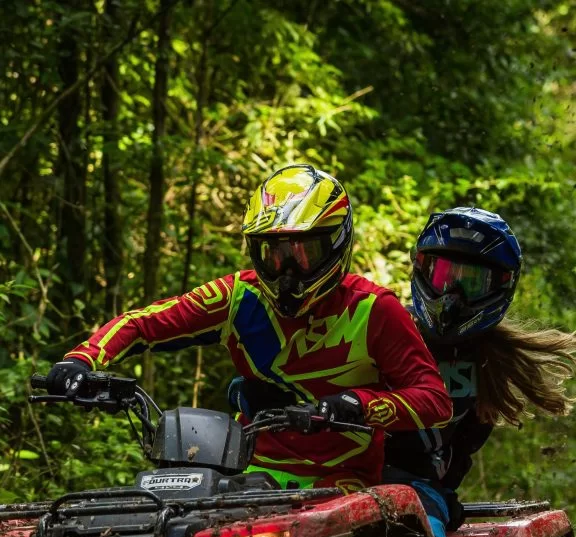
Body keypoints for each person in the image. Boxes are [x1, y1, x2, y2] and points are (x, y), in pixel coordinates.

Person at [47, 164, 451, 494]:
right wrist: (81, 361)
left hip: (344, 483)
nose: (286, 272)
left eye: (302, 254)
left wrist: (359, 405)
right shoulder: (237, 296)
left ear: (335, 245)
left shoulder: (373, 309)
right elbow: (142, 323)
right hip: (249, 474)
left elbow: (435, 399)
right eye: (272, 255)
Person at [229, 205, 576, 537]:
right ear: (420, 269)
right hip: (331, 476)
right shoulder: (383, 328)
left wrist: (440, 489)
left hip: (409, 491)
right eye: (442, 276)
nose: (452, 296)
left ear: (501, 286)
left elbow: (463, 447)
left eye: (470, 283)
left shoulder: (492, 364)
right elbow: (303, 371)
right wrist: (252, 391)